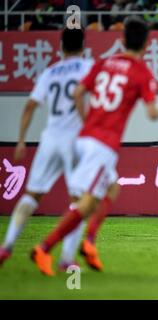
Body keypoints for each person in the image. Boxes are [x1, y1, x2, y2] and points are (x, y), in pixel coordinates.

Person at [30, 16, 158, 276]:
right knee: (86, 203)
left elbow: (76, 94)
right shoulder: (142, 72)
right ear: (147, 45)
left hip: (85, 138)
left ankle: (89, 242)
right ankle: (44, 247)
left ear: (121, 40)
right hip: (102, 145)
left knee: (112, 188)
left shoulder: (104, 63)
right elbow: (152, 113)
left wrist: (87, 124)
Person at [0, 28, 95, 269]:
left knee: (32, 195)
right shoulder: (88, 67)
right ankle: (66, 259)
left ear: (61, 47)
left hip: (49, 138)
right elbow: (88, 97)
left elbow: (30, 106)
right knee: (80, 200)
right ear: (83, 47)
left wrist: (21, 140)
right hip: (74, 140)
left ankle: (7, 246)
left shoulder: (50, 72)